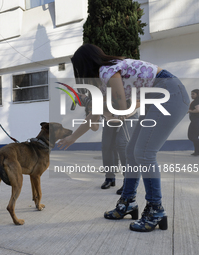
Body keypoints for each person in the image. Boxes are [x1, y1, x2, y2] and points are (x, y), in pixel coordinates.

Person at [58, 44, 189, 232]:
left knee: (144, 153)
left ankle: (155, 209)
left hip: (170, 93)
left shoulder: (107, 70)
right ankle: (127, 202)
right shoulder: (105, 80)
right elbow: (94, 117)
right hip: (156, 98)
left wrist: (112, 113)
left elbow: (120, 105)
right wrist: (72, 138)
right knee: (131, 152)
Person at [100, 105, 139, 193]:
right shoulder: (98, 95)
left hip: (128, 117)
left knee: (122, 144)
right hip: (110, 119)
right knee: (106, 146)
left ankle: (128, 181)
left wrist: (125, 108)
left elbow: (139, 101)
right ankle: (109, 178)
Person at [187, 89, 199, 156]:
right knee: (195, 136)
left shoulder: (197, 101)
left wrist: (189, 111)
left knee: (191, 136)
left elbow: (197, 110)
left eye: (193, 94)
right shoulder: (195, 101)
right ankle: (197, 152)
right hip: (196, 121)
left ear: (197, 94)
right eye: (191, 94)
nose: (191, 95)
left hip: (196, 121)